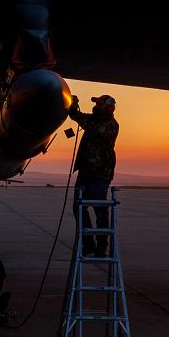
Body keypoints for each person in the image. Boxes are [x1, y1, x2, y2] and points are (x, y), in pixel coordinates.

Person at [67, 94, 119, 256]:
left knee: (100, 211)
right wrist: (73, 104)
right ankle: (88, 243)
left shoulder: (111, 125)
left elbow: (93, 127)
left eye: (100, 104)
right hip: (85, 172)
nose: (96, 106)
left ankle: (101, 247)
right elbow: (76, 116)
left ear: (109, 107)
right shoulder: (94, 120)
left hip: (100, 175)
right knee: (78, 207)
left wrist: (89, 114)